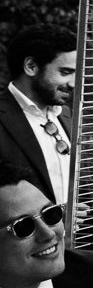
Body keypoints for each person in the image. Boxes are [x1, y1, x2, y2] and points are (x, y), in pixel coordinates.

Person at [1, 24, 76, 204]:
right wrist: (52, 216)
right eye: (65, 72)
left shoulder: (65, 113)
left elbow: (85, 185)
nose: (73, 84)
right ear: (31, 66)